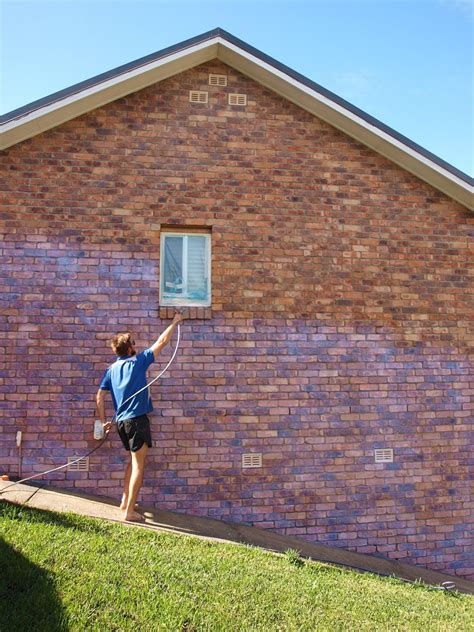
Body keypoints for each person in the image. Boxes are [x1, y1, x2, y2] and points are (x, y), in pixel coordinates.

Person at [96, 313, 185, 522]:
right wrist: (174, 322)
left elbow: (99, 396)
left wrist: (103, 422)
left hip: (121, 423)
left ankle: (125, 502)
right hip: (137, 420)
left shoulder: (112, 369)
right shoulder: (137, 362)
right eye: (133, 343)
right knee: (138, 465)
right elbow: (162, 341)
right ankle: (128, 513)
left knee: (132, 461)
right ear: (129, 348)